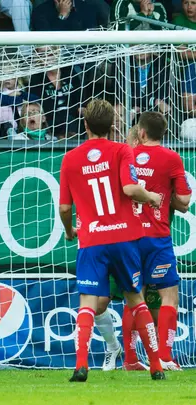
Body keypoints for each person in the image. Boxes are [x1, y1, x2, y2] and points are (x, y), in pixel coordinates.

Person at [58, 99, 165, 382]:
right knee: (136, 299)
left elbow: (65, 209)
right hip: (124, 237)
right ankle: (156, 366)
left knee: (87, 303)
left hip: (92, 239)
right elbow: (130, 188)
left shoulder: (70, 158)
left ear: (85, 125)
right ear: (112, 125)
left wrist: (70, 231)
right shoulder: (121, 150)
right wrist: (152, 196)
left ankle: (81, 365)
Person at [95, 113, 191, 372]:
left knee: (134, 299)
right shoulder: (172, 158)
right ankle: (165, 356)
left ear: (142, 133)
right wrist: (165, 195)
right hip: (158, 238)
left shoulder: (124, 155)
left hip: (129, 237)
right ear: (164, 132)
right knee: (169, 295)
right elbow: (184, 203)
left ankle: (130, 359)